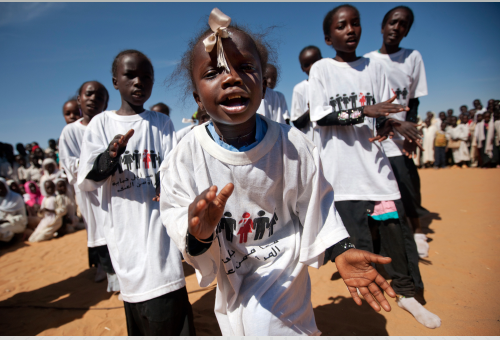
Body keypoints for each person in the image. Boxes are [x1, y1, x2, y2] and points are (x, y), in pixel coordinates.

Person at [160, 8, 398, 336]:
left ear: (264, 81)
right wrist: (197, 234)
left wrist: (340, 248)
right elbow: (175, 212)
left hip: (284, 271)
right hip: (233, 272)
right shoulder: (184, 157)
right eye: (215, 72)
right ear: (197, 96)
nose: (232, 78)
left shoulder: (292, 144)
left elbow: (317, 201)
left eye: (245, 68)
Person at [309, 4, 440, 328]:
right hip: (342, 177)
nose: (350, 30)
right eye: (342, 26)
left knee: (393, 233)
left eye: (355, 23)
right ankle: (365, 314)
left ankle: (407, 293)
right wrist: (364, 112)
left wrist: (392, 126)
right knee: (357, 249)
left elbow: (384, 112)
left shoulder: (374, 66)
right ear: (329, 37)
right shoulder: (322, 70)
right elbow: (320, 116)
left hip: (377, 173)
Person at [77, 49, 194, 336]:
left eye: (146, 77)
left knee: (168, 304)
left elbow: (172, 171)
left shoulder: (161, 123)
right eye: (130, 75)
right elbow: (89, 178)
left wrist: (163, 182)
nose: (139, 82)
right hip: (124, 239)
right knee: (138, 311)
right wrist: (109, 157)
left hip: (159, 239)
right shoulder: (101, 125)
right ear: (115, 81)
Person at [365, 5, 431, 254]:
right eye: (393, 22)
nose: (396, 27)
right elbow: (370, 105)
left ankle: (417, 231)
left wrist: (410, 132)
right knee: (377, 189)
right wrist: (393, 123)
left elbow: (413, 101)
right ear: (383, 27)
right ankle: (377, 237)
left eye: (403, 24)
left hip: (401, 137)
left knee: (407, 184)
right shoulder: (369, 61)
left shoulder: (412, 57)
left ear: (407, 30)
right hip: (377, 135)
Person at [59, 80, 119, 286]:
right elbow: (70, 164)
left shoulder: (110, 125)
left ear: (106, 102)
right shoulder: (70, 132)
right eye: (89, 94)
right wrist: (96, 164)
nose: (94, 99)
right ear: (79, 100)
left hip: (112, 188)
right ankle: (110, 274)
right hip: (88, 193)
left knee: (116, 228)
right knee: (97, 230)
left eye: (100, 97)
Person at [290, 45, 322, 142]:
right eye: (307, 64)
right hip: (312, 143)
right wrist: (311, 110)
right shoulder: (299, 89)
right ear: (302, 68)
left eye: (315, 62)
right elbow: (297, 122)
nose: (312, 67)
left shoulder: (332, 84)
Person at [0, 177, 27, 242]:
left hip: (18, 224)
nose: (0, 190)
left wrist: (7, 220)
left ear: (6, 186)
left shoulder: (16, 197)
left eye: (1, 187)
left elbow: (23, 218)